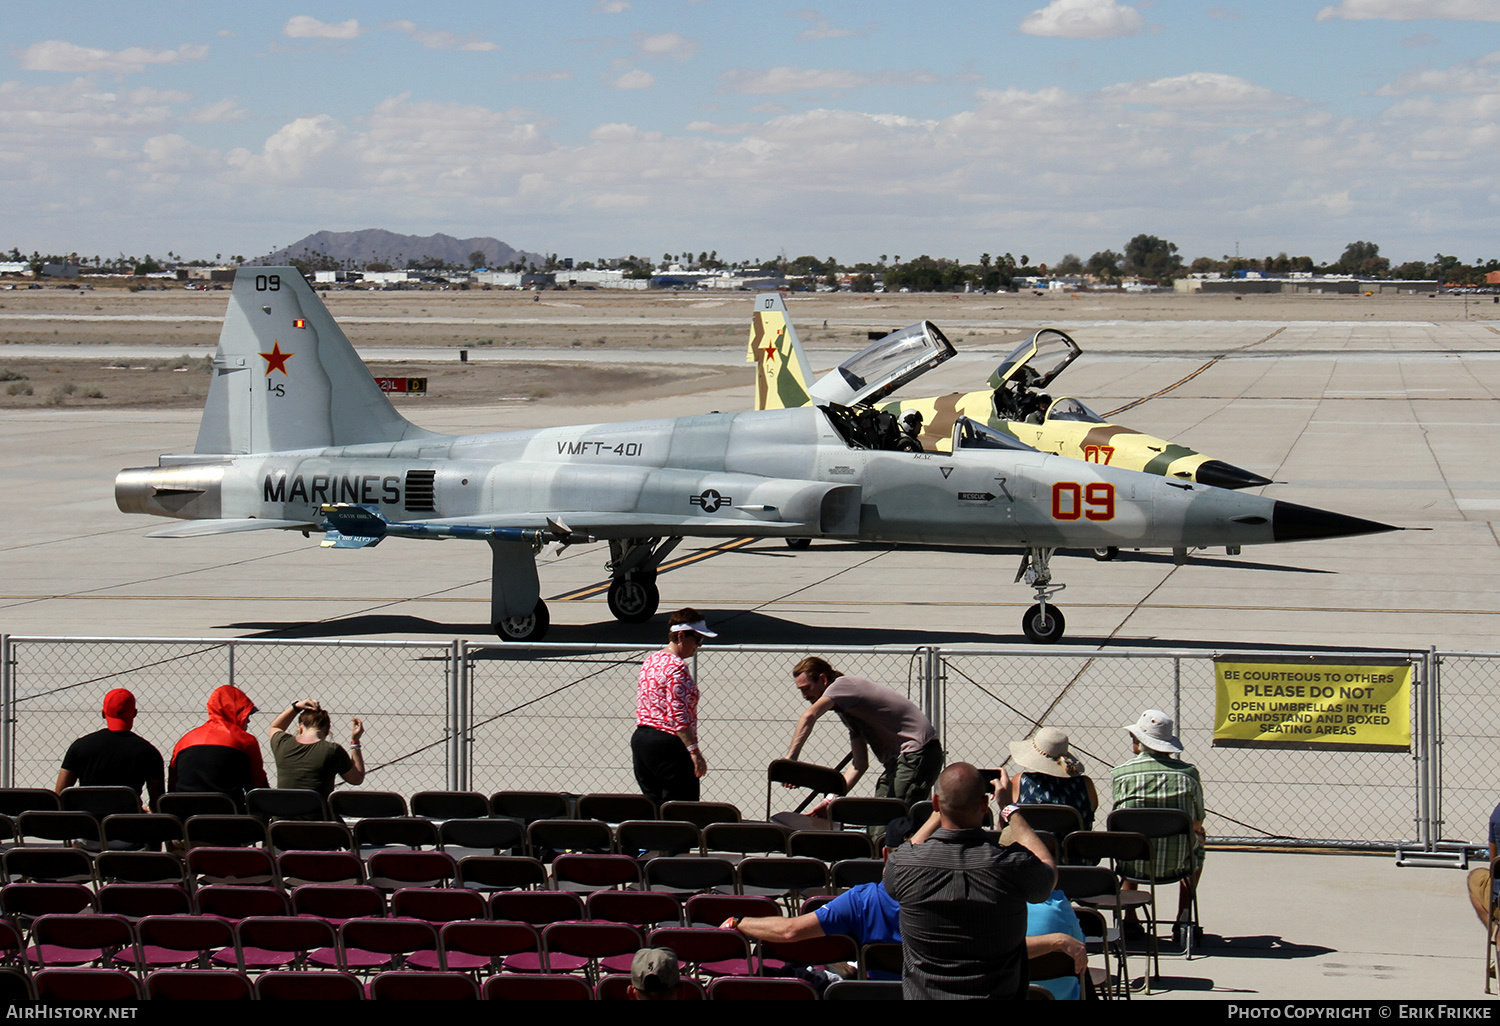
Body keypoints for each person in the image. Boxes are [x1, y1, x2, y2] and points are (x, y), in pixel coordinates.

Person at [882, 762, 1056, 1000]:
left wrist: (939, 812)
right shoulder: (1012, 864)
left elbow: (899, 859)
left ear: (935, 804)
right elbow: (1047, 871)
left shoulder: (904, 865)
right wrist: (1009, 808)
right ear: (985, 805)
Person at [785, 656, 941, 805]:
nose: (804, 696)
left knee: (895, 814)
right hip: (901, 761)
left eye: (807, 688)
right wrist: (829, 801)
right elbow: (859, 764)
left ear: (823, 679)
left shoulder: (842, 685)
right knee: (878, 820)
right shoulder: (849, 710)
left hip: (918, 752)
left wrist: (790, 761)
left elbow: (809, 715)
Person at [1111, 709, 1206, 933]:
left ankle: (1130, 916)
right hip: (1178, 862)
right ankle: (1183, 917)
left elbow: (1118, 820)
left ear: (1140, 742)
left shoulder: (1121, 774)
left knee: (1128, 838)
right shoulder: (1188, 774)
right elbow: (1198, 821)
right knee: (1199, 841)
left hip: (1133, 863)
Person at [632, 608, 715, 806]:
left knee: (653, 806)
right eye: (697, 640)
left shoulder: (651, 660)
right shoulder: (677, 667)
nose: (699, 646)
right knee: (681, 809)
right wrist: (694, 752)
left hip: (642, 741)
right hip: (668, 744)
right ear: (681, 636)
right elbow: (677, 714)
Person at [54, 688, 163, 809]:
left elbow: (60, 795)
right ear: (134, 713)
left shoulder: (80, 746)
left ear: (103, 713)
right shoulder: (149, 752)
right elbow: (157, 802)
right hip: (128, 823)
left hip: (87, 821)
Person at [167, 684, 266, 809]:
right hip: (227, 818)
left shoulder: (185, 740)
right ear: (236, 712)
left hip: (185, 815)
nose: (248, 721)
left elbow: (172, 784)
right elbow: (257, 787)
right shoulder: (245, 740)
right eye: (247, 715)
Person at [998, 725, 1098, 830]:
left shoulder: (1020, 782)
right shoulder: (1085, 785)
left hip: (1028, 845)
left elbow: (1007, 818)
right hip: (1072, 846)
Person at [268, 700, 365, 797]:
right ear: (327, 730)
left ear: (300, 727)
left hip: (282, 810)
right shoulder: (332, 750)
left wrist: (296, 707)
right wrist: (355, 742)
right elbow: (357, 779)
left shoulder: (282, 743)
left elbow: (275, 727)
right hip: (317, 811)